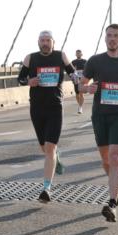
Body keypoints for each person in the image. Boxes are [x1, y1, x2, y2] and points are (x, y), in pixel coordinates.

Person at [80, 24, 118, 222]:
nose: (112, 39)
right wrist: (86, 89)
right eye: (109, 35)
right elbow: (81, 84)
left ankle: (112, 203)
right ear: (105, 38)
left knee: (116, 158)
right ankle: (116, 188)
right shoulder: (95, 61)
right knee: (106, 160)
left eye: (116, 36)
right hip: (100, 114)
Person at [17, 30, 72, 202]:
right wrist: (29, 82)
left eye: (48, 40)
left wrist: (82, 85)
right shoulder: (30, 58)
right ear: (38, 42)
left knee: (49, 148)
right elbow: (20, 79)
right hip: (37, 108)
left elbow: (74, 74)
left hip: (55, 107)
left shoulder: (61, 56)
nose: (45, 43)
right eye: (42, 40)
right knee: (45, 148)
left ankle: (46, 188)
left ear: (53, 42)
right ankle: (56, 156)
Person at [70, 50, 87, 115]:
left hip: (82, 79)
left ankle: (80, 107)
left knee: (81, 93)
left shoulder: (85, 61)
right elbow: (71, 71)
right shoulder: (73, 62)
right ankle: (79, 105)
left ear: (81, 54)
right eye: (77, 53)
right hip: (76, 79)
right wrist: (72, 77)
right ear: (75, 54)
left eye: (79, 53)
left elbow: (88, 70)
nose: (78, 54)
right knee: (77, 94)